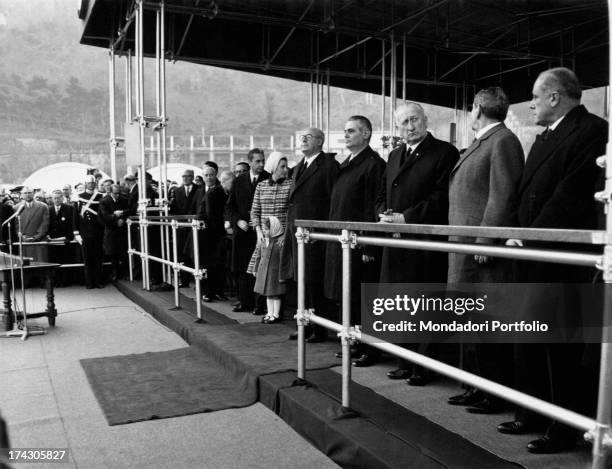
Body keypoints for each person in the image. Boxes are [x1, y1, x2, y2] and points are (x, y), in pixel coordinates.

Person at [496, 67, 607, 454]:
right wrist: (512, 231)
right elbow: (523, 190)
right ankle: (534, 412)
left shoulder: (593, 130)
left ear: (556, 97)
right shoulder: (545, 137)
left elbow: (569, 197)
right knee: (533, 340)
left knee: (561, 346)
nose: (531, 105)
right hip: (534, 253)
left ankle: (565, 428)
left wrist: (529, 237)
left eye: (536, 97)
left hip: (561, 258)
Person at [446, 87, 525, 413]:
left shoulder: (503, 141)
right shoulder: (484, 142)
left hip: (479, 254)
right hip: (465, 249)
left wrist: (485, 241)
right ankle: (475, 386)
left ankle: (492, 392)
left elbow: (502, 195)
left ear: (477, 108)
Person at [376, 102, 459, 385]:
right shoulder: (394, 154)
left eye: (414, 120)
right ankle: (404, 359)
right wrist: (383, 214)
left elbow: (441, 197)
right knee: (400, 301)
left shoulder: (444, 152)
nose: (409, 127)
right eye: (404, 123)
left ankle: (424, 365)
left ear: (426, 119)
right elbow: (382, 192)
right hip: (397, 240)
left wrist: (406, 218)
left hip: (424, 241)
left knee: (425, 302)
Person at [323, 115, 386, 366]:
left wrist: (369, 243)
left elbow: (374, 207)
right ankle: (352, 340)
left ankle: (369, 348)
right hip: (343, 241)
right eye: (345, 131)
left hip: (360, 244)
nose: (346, 135)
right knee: (346, 294)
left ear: (366, 134)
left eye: (351, 131)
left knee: (363, 295)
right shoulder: (346, 164)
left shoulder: (373, 164)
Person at [280, 128, 339, 342]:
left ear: (320, 142)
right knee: (301, 280)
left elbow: (331, 200)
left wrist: (324, 230)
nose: (303, 140)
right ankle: (304, 322)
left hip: (316, 233)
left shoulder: (329, 166)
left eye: (309, 137)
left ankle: (319, 327)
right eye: (301, 137)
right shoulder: (299, 167)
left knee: (315, 280)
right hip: (297, 232)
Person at [226, 148, 270, 314]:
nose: (261, 164)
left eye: (263, 161)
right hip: (243, 231)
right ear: (250, 162)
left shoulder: (268, 178)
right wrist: (238, 221)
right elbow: (230, 207)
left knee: (261, 268)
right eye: (257, 161)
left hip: (262, 232)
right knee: (243, 268)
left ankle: (260, 305)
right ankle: (245, 302)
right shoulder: (239, 181)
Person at [197, 163, 228, 301]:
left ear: (216, 176)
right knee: (204, 264)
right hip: (203, 233)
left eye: (211, 175)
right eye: (206, 175)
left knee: (218, 262)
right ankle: (206, 292)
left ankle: (218, 291)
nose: (209, 177)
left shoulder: (222, 190)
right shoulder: (198, 191)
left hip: (218, 232)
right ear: (203, 177)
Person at [250, 216, 287, 324]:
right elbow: (258, 255)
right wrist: (255, 268)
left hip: (274, 273)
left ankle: (276, 314)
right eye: (264, 229)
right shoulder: (263, 241)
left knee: (275, 294)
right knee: (268, 294)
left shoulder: (279, 243)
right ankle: (270, 313)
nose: (264, 231)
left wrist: (282, 275)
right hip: (264, 272)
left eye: (266, 229)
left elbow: (282, 261)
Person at [169, 169, 200, 288]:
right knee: (181, 253)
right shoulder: (178, 190)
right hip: (182, 227)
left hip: (194, 225)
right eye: (183, 176)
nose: (185, 179)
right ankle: (185, 280)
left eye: (187, 176)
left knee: (195, 252)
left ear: (192, 177)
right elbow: (175, 207)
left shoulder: (199, 189)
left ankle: (197, 279)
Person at [73, 175, 105, 289]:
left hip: (98, 230)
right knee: (87, 258)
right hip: (85, 231)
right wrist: (76, 231)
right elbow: (75, 216)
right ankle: (89, 282)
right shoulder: (79, 197)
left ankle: (99, 281)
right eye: (89, 183)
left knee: (98, 257)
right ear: (85, 184)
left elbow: (103, 214)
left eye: (93, 183)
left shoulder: (100, 196)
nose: (91, 184)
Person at [99, 184, 128, 281]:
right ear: (110, 192)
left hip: (122, 230)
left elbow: (129, 210)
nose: (118, 195)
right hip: (111, 229)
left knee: (123, 252)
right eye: (115, 194)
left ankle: (124, 273)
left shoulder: (123, 199)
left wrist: (122, 217)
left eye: (119, 193)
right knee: (112, 252)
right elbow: (104, 216)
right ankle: (115, 272)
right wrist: (116, 219)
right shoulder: (104, 201)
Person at [47, 190, 75, 286]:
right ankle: (56, 281)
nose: (56, 200)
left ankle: (65, 281)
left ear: (62, 198)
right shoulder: (49, 209)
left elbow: (72, 224)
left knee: (66, 260)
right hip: (53, 240)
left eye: (58, 198)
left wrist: (69, 237)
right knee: (55, 261)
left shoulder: (69, 209)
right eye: (54, 198)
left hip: (65, 239)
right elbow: (47, 224)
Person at [17, 186, 50, 262]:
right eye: (25, 193)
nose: (27, 195)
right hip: (24, 243)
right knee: (25, 266)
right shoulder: (17, 208)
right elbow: (16, 225)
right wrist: (22, 236)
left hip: (39, 242)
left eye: (29, 193)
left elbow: (44, 224)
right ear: (21, 195)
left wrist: (36, 237)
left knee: (40, 265)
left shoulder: (43, 206)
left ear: (33, 193)